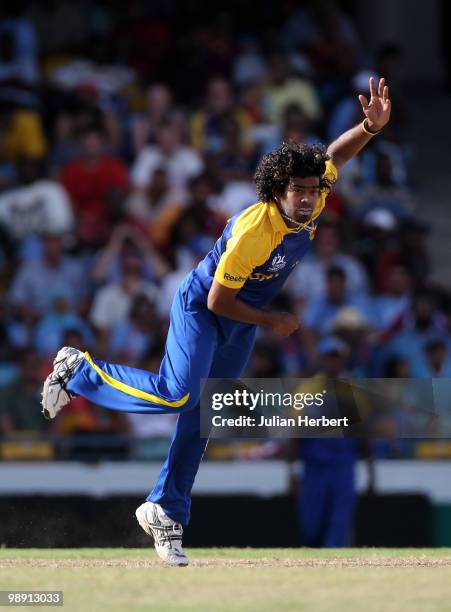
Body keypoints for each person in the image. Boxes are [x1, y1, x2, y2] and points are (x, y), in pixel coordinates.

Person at [41, 77, 391, 566]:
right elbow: (217, 300)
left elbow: (336, 155)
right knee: (178, 394)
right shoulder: (256, 229)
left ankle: (165, 509)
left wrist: (369, 129)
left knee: (202, 415)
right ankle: (78, 370)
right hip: (205, 308)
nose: (310, 198)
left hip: (240, 318)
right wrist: (271, 320)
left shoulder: (314, 192)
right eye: (300, 191)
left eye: (314, 190)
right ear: (277, 189)